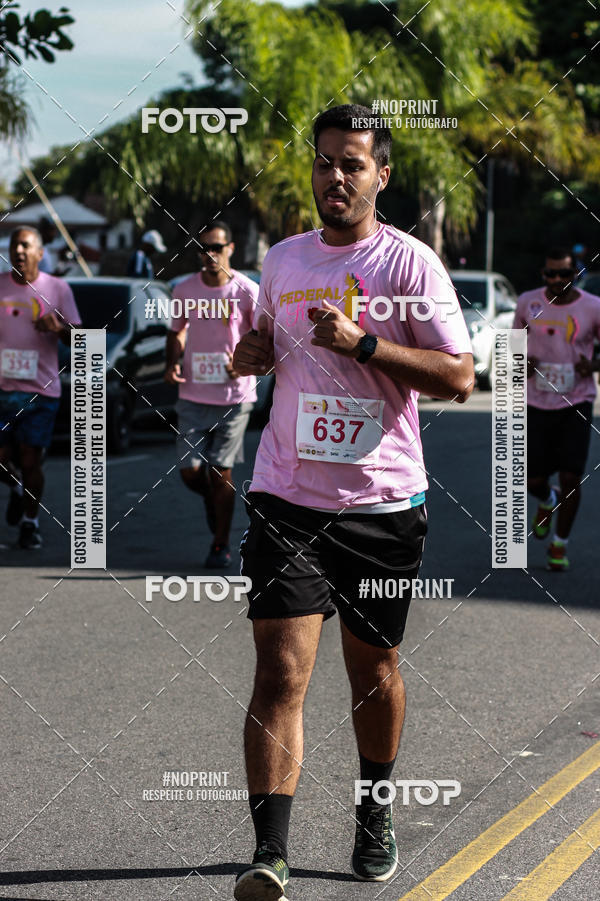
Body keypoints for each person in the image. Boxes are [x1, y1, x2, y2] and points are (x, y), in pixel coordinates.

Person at [231, 103, 474, 899]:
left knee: (373, 668)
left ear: (382, 174)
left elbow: (459, 375)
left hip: (380, 503)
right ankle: (270, 851)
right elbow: (261, 346)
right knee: (280, 670)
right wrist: (252, 353)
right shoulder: (282, 260)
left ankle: (374, 807)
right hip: (286, 495)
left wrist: (365, 344)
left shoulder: (410, 265)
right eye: (324, 160)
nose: (335, 176)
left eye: (352, 163)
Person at [165, 221, 258, 568]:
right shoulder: (184, 289)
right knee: (190, 472)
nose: (209, 254)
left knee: (221, 472)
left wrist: (244, 363)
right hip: (192, 393)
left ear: (230, 249)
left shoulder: (246, 290)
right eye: (203, 248)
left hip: (234, 397)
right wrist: (171, 363)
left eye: (216, 248)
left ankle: (220, 545)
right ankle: (216, 501)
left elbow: (263, 335)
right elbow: (176, 331)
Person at [513, 247, 600, 571]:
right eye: (551, 274)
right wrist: (522, 362)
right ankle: (547, 500)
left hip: (577, 402)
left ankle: (559, 544)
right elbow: (511, 346)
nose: (557, 279)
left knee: (571, 477)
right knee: (532, 480)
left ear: (575, 273)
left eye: (564, 273)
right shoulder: (528, 302)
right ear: (543, 274)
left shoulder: (593, 307)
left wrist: (592, 365)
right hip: (536, 402)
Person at [0, 226, 81, 548]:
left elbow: (79, 339)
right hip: (2, 389)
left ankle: (30, 523)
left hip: (40, 391)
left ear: (39, 253)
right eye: (14, 245)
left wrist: (58, 328)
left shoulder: (58, 289)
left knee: (31, 459)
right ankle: (17, 487)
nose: (19, 251)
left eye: (25, 245)